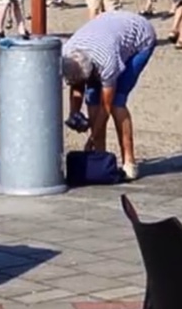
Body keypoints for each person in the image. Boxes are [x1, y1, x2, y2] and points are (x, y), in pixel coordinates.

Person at [62, 11, 157, 182]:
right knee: (92, 97)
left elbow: (106, 107)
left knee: (117, 102)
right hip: (107, 30)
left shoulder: (107, 63)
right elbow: (76, 85)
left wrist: (91, 138)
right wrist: (74, 113)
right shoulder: (67, 53)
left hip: (140, 37)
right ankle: (100, 158)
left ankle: (129, 162)